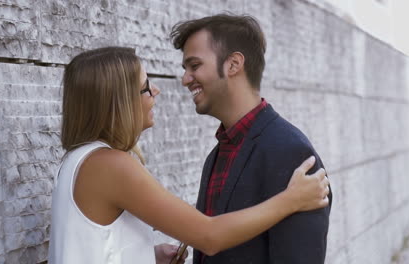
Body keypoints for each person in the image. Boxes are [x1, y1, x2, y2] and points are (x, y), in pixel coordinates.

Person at [48, 47, 330, 264]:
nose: (155, 91)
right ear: (119, 102)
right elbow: (209, 236)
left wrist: (148, 256)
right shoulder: (110, 165)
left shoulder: (77, 161)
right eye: (145, 87)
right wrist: (290, 200)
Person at [170, 13, 333, 264]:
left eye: (194, 66)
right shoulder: (217, 155)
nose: (185, 79)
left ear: (233, 64)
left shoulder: (291, 153)